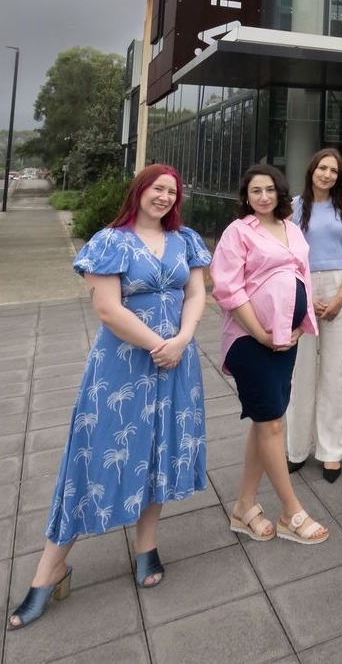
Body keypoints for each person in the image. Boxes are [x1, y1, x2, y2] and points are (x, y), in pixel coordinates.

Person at [8, 165, 211, 630]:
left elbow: (198, 293)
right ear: (139, 190)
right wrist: (159, 345)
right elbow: (107, 308)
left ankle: (146, 548)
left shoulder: (187, 240)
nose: (164, 197)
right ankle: (50, 569)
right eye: (157, 188)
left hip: (177, 364)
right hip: (123, 367)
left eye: (171, 192)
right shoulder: (110, 241)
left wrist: (180, 340)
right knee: (94, 457)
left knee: (159, 450)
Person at [211, 164, 329, 545]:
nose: (263, 197)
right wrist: (261, 333)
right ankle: (291, 511)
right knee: (272, 424)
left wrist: (298, 326)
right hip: (251, 340)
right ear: (246, 196)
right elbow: (228, 290)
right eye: (255, 191)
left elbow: (303, 278)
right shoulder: (238, 232)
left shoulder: (292, 229)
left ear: (280, 193)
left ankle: (244, 506)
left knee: (267, 421)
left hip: (286, 339)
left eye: (269, 190)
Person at [285, 148, 342, 483]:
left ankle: (331, 452)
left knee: (335, 371)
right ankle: (297, 448)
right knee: (300, 372)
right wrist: (306, 296)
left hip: (338, 286)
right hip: (302, 290)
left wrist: (341, 295)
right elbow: (286, 254)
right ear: (311, 169)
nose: (327, 174)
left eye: (333, 170)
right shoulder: (294, 207)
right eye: (322, 168)